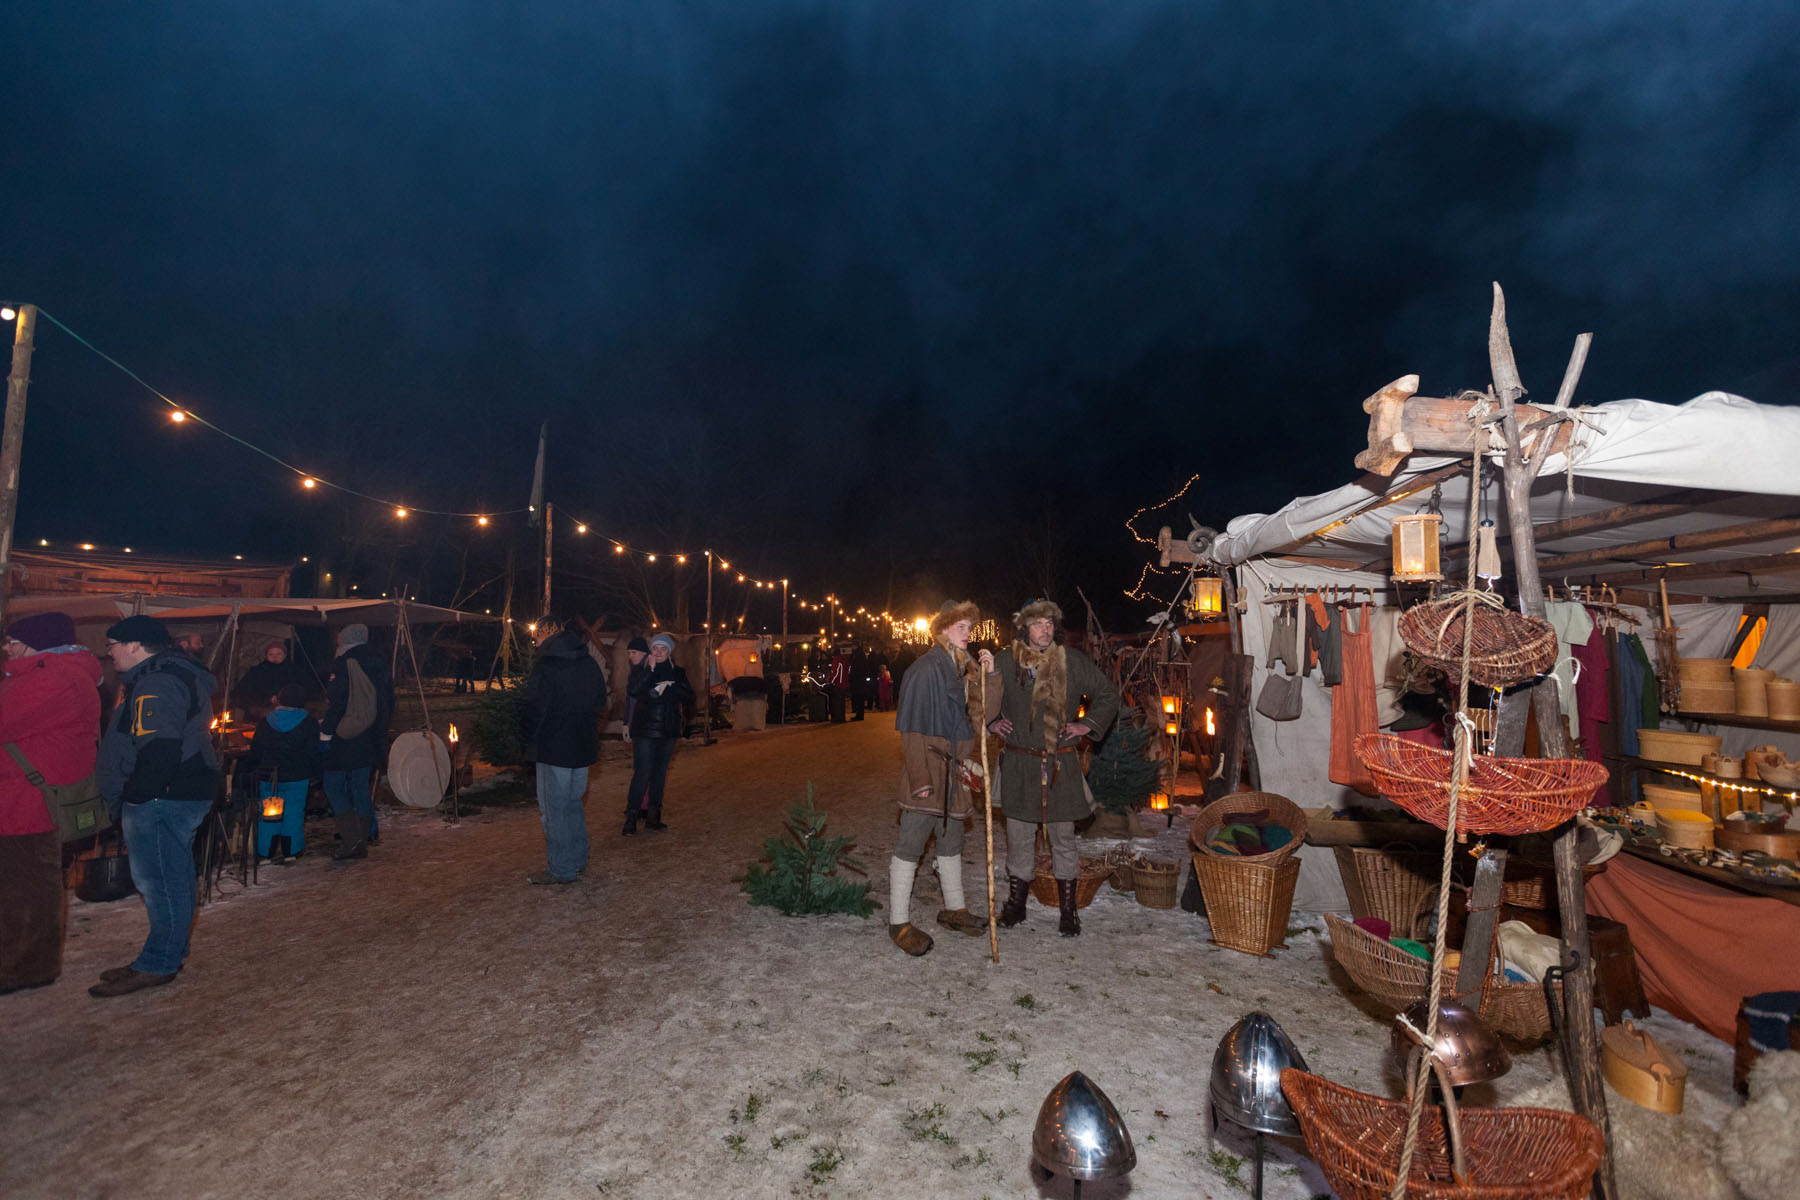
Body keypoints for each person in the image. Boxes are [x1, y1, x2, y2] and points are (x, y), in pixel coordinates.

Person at [90, 615, 221, 997]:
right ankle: (162, 954)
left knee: (163, 882)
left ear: (135, 645)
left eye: (113, 644)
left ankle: (158, 963)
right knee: (168, 878)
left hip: (164, 796)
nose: (109, 652)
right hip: (169, 792)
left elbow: (160, 750)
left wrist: (135, 796)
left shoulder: (158, 681)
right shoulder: (159, 676)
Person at [990, 599, 1119, 937]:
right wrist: (989, 721)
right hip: (1019, 763)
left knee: (1063, 838)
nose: (1044, 629)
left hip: (1060, 763)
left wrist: (1086, 725)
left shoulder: (1073, 662)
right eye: (1037, 623)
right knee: (1019, 838)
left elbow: (1107, 694)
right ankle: (1016, 907)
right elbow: (977, 695)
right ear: (1024, 628)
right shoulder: (1005, 661)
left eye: (1049, 623)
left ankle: (1068, 911)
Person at [886, 602, 1000, 957]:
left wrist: (990, 675)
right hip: (930, 771)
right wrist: (921, 779)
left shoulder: (963, 669)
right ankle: (898, 922)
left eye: (970, 627)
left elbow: (986, 717)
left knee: (951, 843)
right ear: (943, 630)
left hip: (957, 771)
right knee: (911, 845)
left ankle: (954, 909)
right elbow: (911, 731)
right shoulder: (924, 670)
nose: (969, 633)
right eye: (962, 627)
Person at [0, 612, 102, 995]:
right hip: (19, 795)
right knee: (19, 882)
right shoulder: (48, 673)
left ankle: (27, 966)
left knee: (25, 885)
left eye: (11, 641)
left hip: (27, 800)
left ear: (33, 643)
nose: (6, 648)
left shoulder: (53, 677)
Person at [520, 623, 608, 884]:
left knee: (554, 809)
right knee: (572, 804)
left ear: (548, 633)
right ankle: (578, 860)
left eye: (537, 634)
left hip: (553, 748)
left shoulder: (547, 666)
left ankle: (561, 868)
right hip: (582, 746)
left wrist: (526, 742)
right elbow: (601, 701)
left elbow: (533, 708)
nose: (534, 640)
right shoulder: (588, 662)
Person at [320, 623, 393, 861]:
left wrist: (326, 732)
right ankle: (364, 835)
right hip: (371, 734)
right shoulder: (380, 662)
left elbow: (338, 701)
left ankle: (352, 841)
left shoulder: (345, 662)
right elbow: (388, 700)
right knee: (360, 785)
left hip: (346, 735)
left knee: (332, 783)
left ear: (345, 640)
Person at [623, 633, 692, 835]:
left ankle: (654, 816)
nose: (659, 652)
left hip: (668, 730)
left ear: (669, 651)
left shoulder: (678, 673)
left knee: (659, 775)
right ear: (650, 651)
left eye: (663, 649)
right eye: (655, 648)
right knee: (642, 773)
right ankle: (631, 817)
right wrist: (650, 672)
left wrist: (671, 688)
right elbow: (634, 691)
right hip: (644, 730)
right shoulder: (641, 670)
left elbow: (690, 697)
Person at [244, 683, 318, 861]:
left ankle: (265, 851)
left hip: (270, 776)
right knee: (293, 813)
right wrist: (315, 774)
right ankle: (291, 851)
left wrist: (255, 768)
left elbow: (257, 749)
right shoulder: (309, 722)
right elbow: (313, 751)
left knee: (269, 813)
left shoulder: (266, 721)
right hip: (297, 777)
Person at [233, 640, 303, 720]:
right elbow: (243, 691)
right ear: (266, 656)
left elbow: (299, 691)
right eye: (271, 654)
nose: (275, 657)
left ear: (285, 655)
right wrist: (267, 698)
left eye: (278, 654)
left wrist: (283, 699)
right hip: (259, 713)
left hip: (286, 713)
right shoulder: (257, 671)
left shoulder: (293, 671)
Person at [621, 636, 649, 737]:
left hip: (648, 726)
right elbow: (629, 700)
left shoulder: (651, 670)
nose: (630, 656)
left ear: (644, 652)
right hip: (636, 724)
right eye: (629, 653)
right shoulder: (634, 671)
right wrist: (626, 723)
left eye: (634, 652)